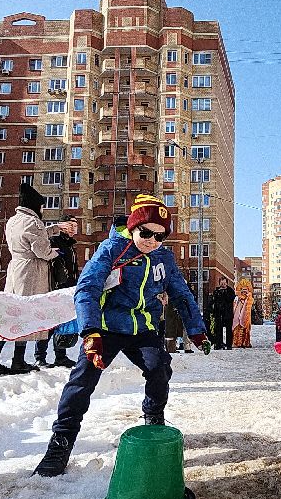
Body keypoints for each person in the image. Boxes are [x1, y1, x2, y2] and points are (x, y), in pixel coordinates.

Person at [32, 193, 210, 477]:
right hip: (106, 328)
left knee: (159, 368)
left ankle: (153, 419)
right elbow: (87, 288)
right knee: (82, 379)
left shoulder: (163, 257)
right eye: (146, 233)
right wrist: (90, 331)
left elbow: (182, 294)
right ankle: (61, 442)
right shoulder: (112, 249)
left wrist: (197, 330)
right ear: (133, 226)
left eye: (160, 236)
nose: (151, 241)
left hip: (144, 329)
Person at [0, 183, 77, 377]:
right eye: (41, 206)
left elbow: (33, 235)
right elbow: (41, 250)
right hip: (31, 273)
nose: (42, 209)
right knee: (26, 314)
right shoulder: (33, 222)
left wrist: (55, 228)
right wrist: (55, 253)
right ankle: (17, 360)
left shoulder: (14, 220)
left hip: (16, 269)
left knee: (12, 313)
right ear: (35, 205)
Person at [35, 218, 80, 368]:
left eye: (76, 226)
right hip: (55, 288)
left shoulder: (69, 244)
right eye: (71, 225)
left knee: (62, 323)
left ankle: (60, 356)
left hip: (68, 288)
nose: (74, 228)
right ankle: (39, 357)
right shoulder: (55, 241)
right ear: (63, 226)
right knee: (50, 323)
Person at [210, 275, 236, 349]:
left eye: (224, 283)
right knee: (218, 329)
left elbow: (230, 299)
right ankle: (219, 344)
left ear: (227, 283)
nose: (223, 285)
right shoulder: (216, 291)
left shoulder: (230, 291)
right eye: (221, 283)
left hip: (228, 313)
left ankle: (229, 345)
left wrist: (224, 292)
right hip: (218, 313)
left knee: (228, 330)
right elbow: (214, 301)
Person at [232, 278, 253, 348]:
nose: (244, 292)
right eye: (242, 290)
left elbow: (249, 305)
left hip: (246, 317)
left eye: (245, 290)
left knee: (245, 329)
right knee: (237, 329)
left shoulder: (249, 298)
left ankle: (245, 342)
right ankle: (236, 342)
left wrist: (247, 299)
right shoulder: (237, 298)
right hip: (237, 317)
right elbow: (234, 306)